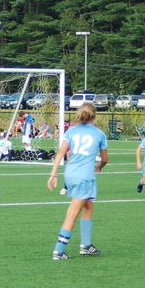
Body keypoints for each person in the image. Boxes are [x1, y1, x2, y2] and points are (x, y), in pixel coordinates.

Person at [47, 103, 108, 260]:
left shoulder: (71, 131)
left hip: (70, 174)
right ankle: (58, 251)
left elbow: (60, 153)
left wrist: (53, 175)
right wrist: (100, 166)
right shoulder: (99, 133)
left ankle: (86, 245)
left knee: (88, 205)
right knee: (72, 213)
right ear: (94, 116)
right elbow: (105, 159)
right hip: (84, 176)